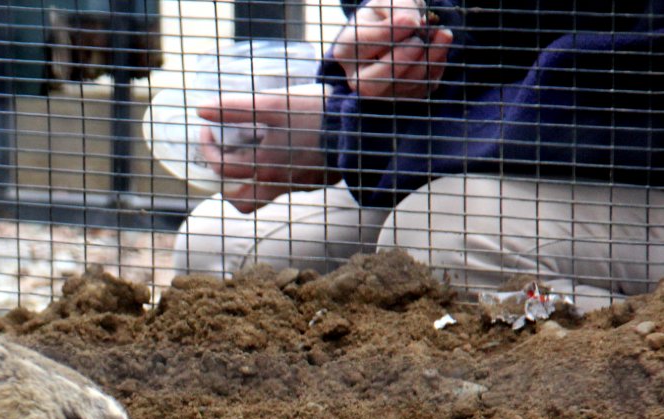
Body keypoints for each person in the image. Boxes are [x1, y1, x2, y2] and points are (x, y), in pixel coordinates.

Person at [172, 0, 664, 312]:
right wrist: (364, 94)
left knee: (434, 243)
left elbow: (613, 96)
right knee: (218, 241)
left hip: (630, 153)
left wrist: (350, 133)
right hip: (490, 135)